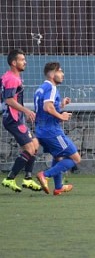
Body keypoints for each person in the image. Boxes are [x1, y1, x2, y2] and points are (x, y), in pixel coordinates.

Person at [33, 62, 79, 195]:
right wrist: (61, 116)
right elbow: (48, 107)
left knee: (59, 157)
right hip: (52, 131)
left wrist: (61, 104)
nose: (62, 74)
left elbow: (45, 108)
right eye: (60, 71)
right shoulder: (52, 88)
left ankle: (58, 187)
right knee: (75, 158)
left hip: (41, 130)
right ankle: (45, 175)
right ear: (52, 74)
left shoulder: (41, 89)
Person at [1, 49, 43, 192]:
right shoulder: (12, 79)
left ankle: (28, 179)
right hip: (13, 119)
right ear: (14, 63)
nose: (25, 62)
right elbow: (9, 100)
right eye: (22, 60)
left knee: (35, 144)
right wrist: (26, 111)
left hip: (17, 118)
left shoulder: (9, 76)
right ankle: (10, 178)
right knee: (30, 149)